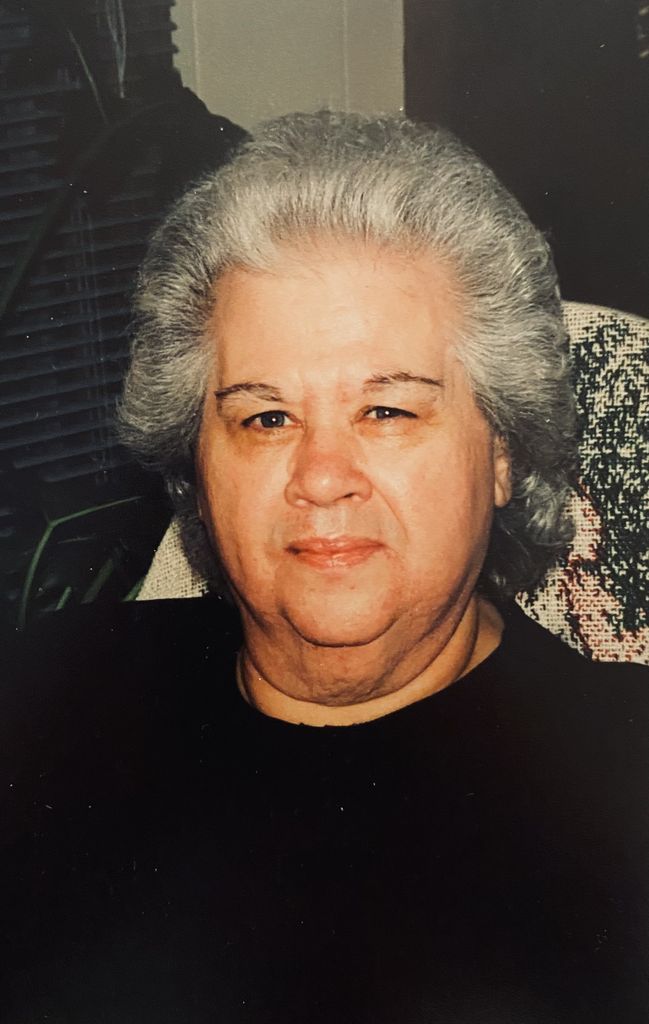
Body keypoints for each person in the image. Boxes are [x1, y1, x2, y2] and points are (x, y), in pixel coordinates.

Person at [3, 111, 648, 1023]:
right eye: (265, 418)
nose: (319, 476)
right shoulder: (49, 691)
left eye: (387, 411)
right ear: (198, 466)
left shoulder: (620, 781)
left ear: (501, 448)